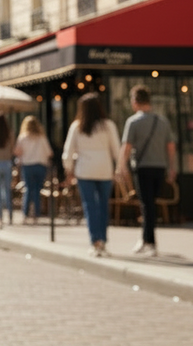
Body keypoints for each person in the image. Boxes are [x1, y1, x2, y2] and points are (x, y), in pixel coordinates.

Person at [117, 84, 177, 256]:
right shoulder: (163, 121)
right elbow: (171, 147)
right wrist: (172, 167)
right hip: (160, 167)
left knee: (147, 205)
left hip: (143, 168)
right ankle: (147, 240)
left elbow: (126, 148)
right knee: (150, 205)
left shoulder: (133, 122)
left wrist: (121, 167)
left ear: (135, 101)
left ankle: (149, 242)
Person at [63, 93, 120, 256]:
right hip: (104, 169)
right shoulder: (108, 125)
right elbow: (116, 149)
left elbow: (68, 151)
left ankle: (95, 241)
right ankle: (102, 240)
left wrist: (69, 169)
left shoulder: (77, 126)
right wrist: (119, 168)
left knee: (90, 207)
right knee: (103, 206)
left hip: (85, 170)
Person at [14, 115, 53, 222]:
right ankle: (36, 214)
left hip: (27, 166)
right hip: (40, 166)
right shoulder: (41, 137)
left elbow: (17, 152)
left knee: (28, 189)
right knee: (37, 190)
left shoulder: (23, 137)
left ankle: (25, 214)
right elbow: (49, 152)